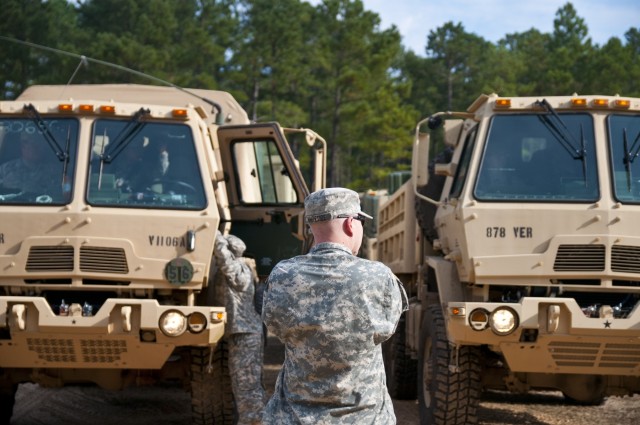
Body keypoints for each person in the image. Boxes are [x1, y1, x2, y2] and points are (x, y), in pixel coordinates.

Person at [261, 187, 408, 424]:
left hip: (294, 417)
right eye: (361, 220)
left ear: (310, 226)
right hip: (364, 418)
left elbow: (276, 327)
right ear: (351, 223)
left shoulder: (283, 276)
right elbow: (386, 330)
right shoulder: (378, 277)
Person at [214, 230, 266, 425]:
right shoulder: (243, 268)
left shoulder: (239, 269)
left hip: (246, 334)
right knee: (242, 382)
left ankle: (254, 421)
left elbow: (224, 259)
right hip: (242, 332)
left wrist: (215, 233)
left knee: (247, 384)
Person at [0, 131, 58, 196]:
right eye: (34, 144)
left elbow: (60, 193)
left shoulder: (54, 171)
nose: (39, 148)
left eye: (40, 144)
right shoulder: (5, 169)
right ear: (22, 146)